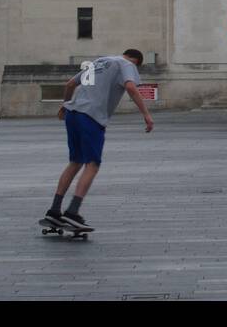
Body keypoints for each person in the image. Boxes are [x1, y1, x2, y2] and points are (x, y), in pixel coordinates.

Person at [46, 49, 153, 230]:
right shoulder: (127, 64)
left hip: (73, 114)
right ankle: (72, 211)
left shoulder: (99, 61)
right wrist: (146, 114)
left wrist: (65, 105)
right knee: (92, 164)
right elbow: (130, 87)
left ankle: (54, 210)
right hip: (91, 116)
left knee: (75, 162)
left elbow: (70, 84)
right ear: (136, 62)